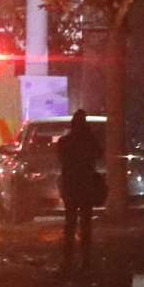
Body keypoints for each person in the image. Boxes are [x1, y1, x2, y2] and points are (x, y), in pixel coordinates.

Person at [56, 110, 104, 273]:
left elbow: (61, 158)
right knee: (85, 224)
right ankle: (85, 261)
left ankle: (67, 260)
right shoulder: (90, 141)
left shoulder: (65, 141)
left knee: (70, 224)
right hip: (85, 186)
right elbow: (99, 153)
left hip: (71, 186)